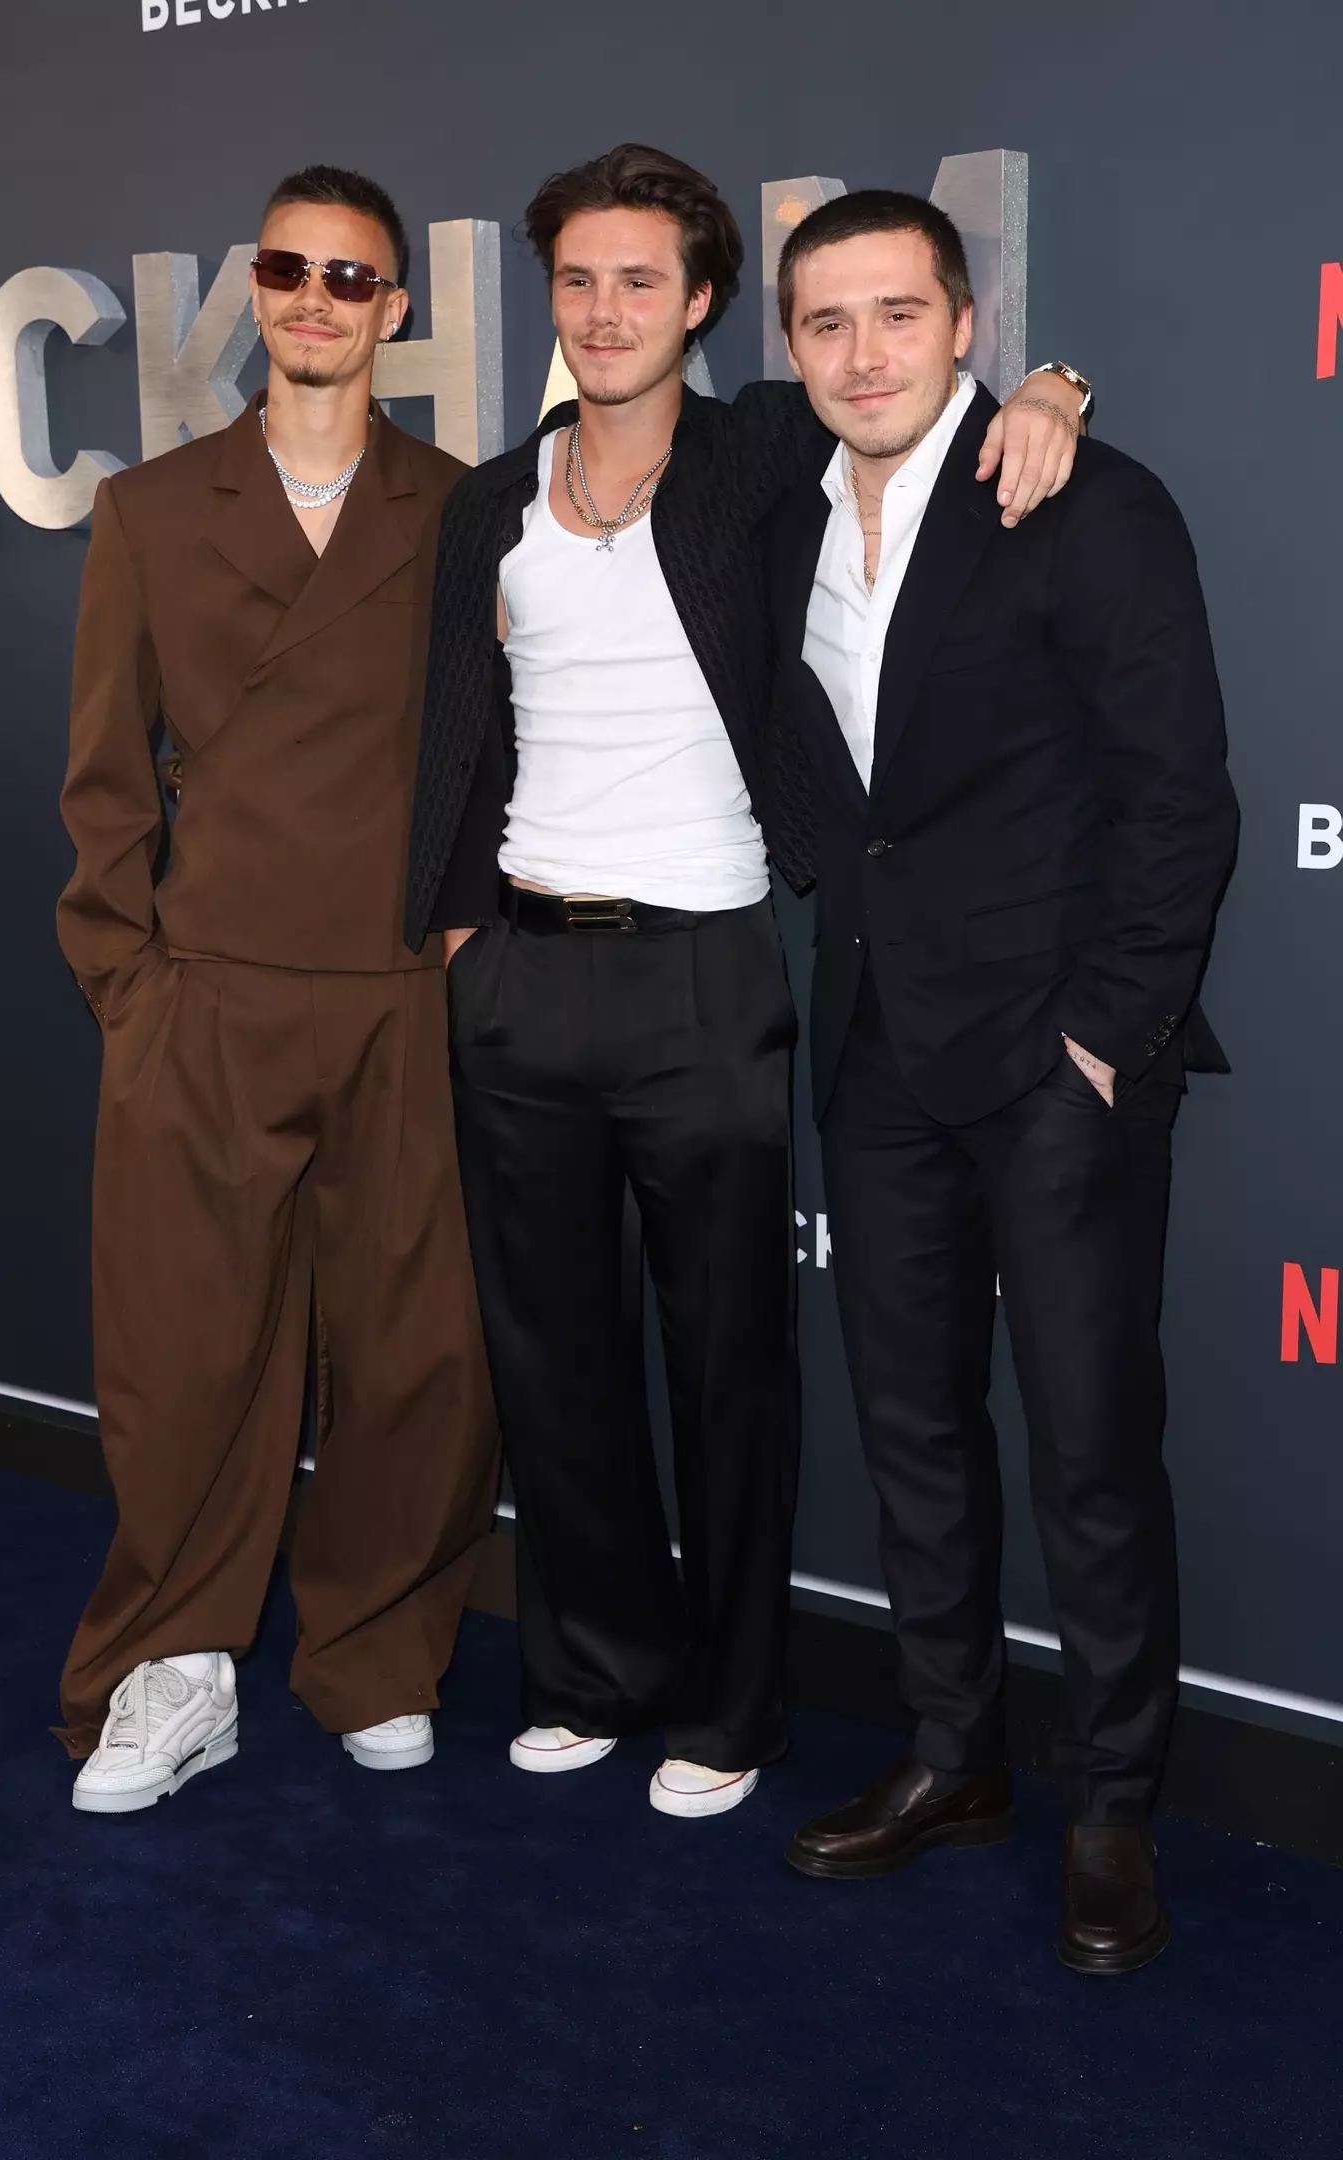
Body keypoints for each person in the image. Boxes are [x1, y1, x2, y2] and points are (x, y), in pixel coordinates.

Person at [404, 144, 1085, 1819]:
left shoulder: (763, 451)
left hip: (704, 969)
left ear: (705, 304)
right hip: (519, 974)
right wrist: (458, 929)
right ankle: (587, 1671)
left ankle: (731, 1708)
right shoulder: (489, 500)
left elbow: (923, 391)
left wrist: (1060, 381)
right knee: (553, 1358)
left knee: (727, 1366)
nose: (607, 310)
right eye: (578, 279)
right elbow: (458, 735)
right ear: (548, 300)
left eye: (644, 279)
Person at [763, 190, 1237, 1966]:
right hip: (881, 1049)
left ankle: (1113, 1809)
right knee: (916, 1440)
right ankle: (954, 1758)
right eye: (828, 324)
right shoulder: (775, 509)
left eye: (900, 316)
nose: (864, 355)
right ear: (790, 346)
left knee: (1094, 1454)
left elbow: (1181, 800)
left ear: (965, 325)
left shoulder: (1083, 502)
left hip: (1058, 1065)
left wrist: (1105, 1038)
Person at [55, 164, 496, 1813]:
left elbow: (494, 754)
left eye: (351, 277)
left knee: (414, 1353)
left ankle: (376, 1650)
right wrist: (132, 986)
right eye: (288, 270)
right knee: (187, 1357)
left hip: (396, 995)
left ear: (396, 307)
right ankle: (174, 1669)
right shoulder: (154, 510)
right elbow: (105, 784)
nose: (316, 299)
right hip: (209, 1002)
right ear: (256, 290)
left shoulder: (461, 509)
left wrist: (460, 938)